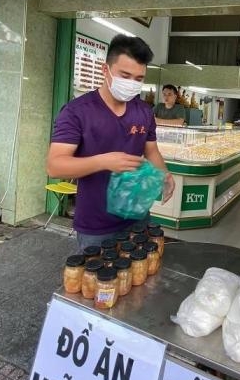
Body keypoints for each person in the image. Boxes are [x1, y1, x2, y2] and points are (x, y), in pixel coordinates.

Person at [46, 34, 175, 250]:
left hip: (138, 215)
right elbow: (54, 166)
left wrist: (165, 174)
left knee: (141, 277)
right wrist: (103, 161)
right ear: (105, 70)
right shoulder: (77, 112)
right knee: (98, 281)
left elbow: (151, 151)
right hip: (96, 225)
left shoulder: (143, 111)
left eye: (139, 79)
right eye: (125, 75)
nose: (132, 84)